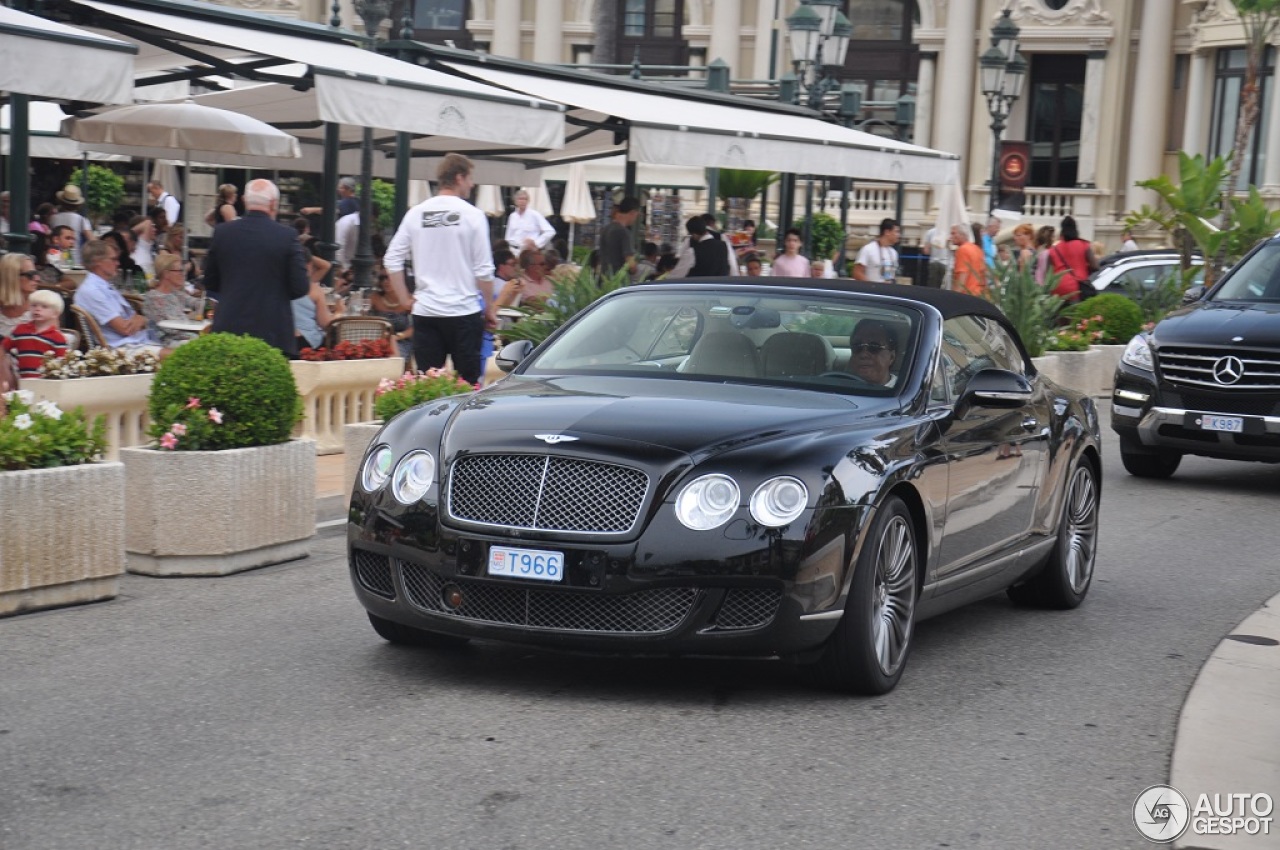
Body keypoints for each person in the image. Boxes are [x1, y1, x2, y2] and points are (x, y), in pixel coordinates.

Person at [383, 153, 496, 386]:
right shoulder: (473, 215)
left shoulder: (416, 213)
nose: (472, 185)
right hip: (463, 311)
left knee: (428, 385)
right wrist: (490, 309)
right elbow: (484, 270)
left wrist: (405, 299)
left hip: (426, 312)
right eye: (470, 178)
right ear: (459, 177)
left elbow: (392, 259)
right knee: (468, 385)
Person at [202, 178, 311, 357]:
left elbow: (210, 281)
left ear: (245, 201)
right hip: (273, 328)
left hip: (229, 326)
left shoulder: (223, 232)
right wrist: (276, 293)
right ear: (273, 204)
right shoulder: (287, 236)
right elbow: (300, 287)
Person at [74, 240, 162, 351]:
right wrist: (142, 320)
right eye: (113, 259)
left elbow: (133, 317)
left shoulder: (104, 285)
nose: (118, 263)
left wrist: (140, 319)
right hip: (123, 349)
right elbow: (125, 329)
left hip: (139, 341)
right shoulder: (91, 291)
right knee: (182, 357)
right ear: (98, 262)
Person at [2, 289, 68, 377]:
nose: (37, 309)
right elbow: (3, 347)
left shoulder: (57, 337)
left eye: (44, 307)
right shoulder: (20, 329)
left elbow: (62, 363)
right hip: (22, 380)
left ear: (55, 313)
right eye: (34, 305)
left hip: (46, 381)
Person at [143, 253, 205, 347]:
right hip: (167, 343)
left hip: (186, 338)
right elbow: (172, 329)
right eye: (179, 271)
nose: (183, 274)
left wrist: (209, 303)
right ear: (166, 274)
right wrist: (191, 317)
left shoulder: (175, 293)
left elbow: (197, 303)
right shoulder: (154, 298)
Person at [1047, 215, 1099, 303]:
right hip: (1077, 288)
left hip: (1057, 287)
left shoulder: (1053, 249)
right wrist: (1085, 269)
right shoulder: (1084, 245)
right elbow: (1095, 266)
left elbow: (1049, 272)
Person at [50, 185, 94, 266]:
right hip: (75, 262)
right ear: (77, 204)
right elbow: (92, 242)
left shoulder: (52, 219)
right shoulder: (82, 220)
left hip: (55, 260)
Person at [847, 319, 899, 386]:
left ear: (891, 357)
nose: (863, 355)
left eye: (874, 346)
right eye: (857, 346)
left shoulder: (907, 391)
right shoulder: (837, 386)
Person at [598, 196, 640, 279]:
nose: (635, 219)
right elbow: (630, 263)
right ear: (632, 213)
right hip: (618, 282)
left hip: (603, 280)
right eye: (637, 215)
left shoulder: (605, 229)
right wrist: (635, 269)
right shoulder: (624, 233)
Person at [0, 253, 40, 340]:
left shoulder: (42, 305)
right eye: (30, 274)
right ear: (12, 277)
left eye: (36, 273)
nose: (37, 278)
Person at [853, 218, 902, 282]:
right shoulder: (868, 249)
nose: (899, 235)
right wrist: (872, 287)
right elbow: (857, 273)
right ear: (887, 232)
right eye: (896, 232)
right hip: (871, 290)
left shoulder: (893, 253)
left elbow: (890, 275)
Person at [951, 224, 988, 297]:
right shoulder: (977, 249)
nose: (950, 237)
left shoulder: (962, 250)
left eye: (953, 233)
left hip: (966, 295)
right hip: (978, 294)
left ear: (963, 234)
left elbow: (962, 278)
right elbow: (984, 274)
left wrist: (953, 296)